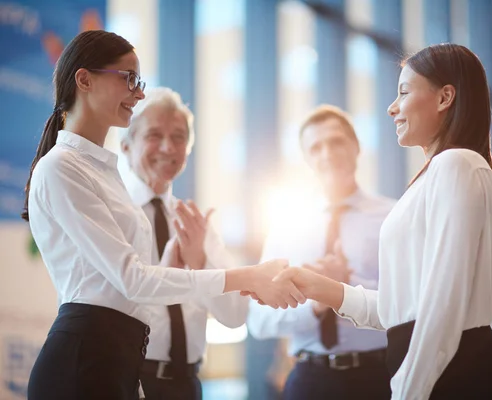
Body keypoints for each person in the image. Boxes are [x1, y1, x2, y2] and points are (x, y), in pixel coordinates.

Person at [22, 30, 303, 400]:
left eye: (140, 82)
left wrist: (177, 263)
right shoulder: (61, 167)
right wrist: (248, 275)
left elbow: (130, 290)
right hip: (84, 362)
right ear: (85, 79)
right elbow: (131, 281)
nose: (138, 93)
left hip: (119, 360)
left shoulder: (104, 172)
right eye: (129, 79)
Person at [270, 43, 492, 399]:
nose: (392, 107)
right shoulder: (437, 174)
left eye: (403, 92)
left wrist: (407, 391)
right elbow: (397, 310)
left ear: (446, 97)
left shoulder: (455, 164)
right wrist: (317, 285)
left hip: (450, 375)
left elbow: (442, 303)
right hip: (439, 369)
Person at [246, 105, 395, 400]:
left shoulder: (393, 216)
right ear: (306, 159)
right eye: (316, 147)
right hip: (310, 380)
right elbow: (259, 321)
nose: (327, 153)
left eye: (336, 141)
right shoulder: (287, 225)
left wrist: (341, 289)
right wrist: (316, 303)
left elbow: (412, 303)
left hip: (377, 377)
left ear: (356, 146)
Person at [119, 87, 248, 399]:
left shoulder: (195, 224)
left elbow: (235, 315)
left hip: (186, 385)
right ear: (126, 146)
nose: (167, 146)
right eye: (154, 135)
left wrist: (200, 263)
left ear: (188, 150)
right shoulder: (112, 215)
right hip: (127, 380)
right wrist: (169, 275)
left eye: (178, 137)